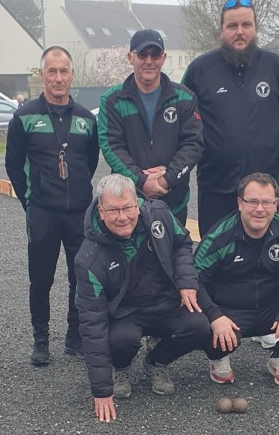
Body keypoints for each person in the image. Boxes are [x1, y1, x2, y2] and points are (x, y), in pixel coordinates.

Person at [75, 174, 212, 422]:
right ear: (101, 212)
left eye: (127, 207)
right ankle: (121, 368)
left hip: (165, 303)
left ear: (137, 204)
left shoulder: (159, 214)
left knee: (200, 326)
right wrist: (101, 391)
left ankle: (155, 361)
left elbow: (181, 243)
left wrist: (186, 281)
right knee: (120, 341)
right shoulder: (89, 259)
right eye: (113, 210)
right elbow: (92, 325)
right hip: (126, 313)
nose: (122, 216)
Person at [5, 46, 99, 366]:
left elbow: (89, 161)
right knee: (41, 279)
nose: (58, 78)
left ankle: (74, 337)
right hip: (43, 212)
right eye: (52, 71)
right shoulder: (25, 117)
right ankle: (41, 340)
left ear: (72, 75)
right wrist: (31, 200)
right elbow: (14, 165)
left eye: (64, 71)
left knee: (80, 277)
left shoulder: (86, 119)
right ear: (41, 75)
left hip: (79, 213)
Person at [195, 173, 279, 387]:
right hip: (228, 311)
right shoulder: (219, 236)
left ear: (276, 204)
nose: (260, 209)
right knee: (199, 324)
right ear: (240, 203)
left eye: (267, 202)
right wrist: (215, 316)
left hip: (267, 307)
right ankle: (218, 359)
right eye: (252, 201)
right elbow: (194, 281)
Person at [182, 0, 279, 235]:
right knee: (215, 253)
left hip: (263, 190)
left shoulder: (275, 67)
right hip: (216, 187)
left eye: (246, 25)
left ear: (255, 28)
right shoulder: (199, 70)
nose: (239, 32)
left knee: (264, 252)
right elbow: (184, 120)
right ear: (222, 30)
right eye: (232, 26)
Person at [98, 29, 203, 225]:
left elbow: (193, 144)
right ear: (130, 57)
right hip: (129, 205)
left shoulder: (185, 98)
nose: (149, 61)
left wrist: (167, 179)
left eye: (155, 54)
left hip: (174, 203)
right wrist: (140, 181)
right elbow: (111, 147)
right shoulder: (112, 100)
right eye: (142, 54)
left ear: (163, 58)